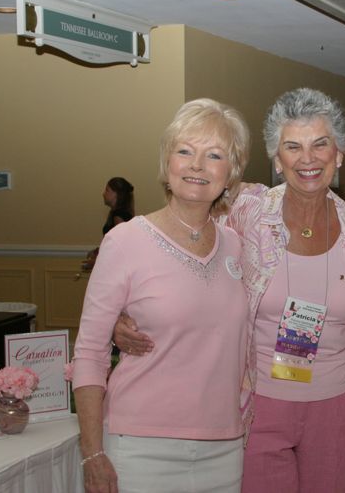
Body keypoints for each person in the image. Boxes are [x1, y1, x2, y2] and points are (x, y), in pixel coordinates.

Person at [114, 88, 345, 493]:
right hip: (256, 402)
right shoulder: (245, 210)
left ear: (338, 154)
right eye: (292, 146)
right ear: (277, 159)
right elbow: (184, 253)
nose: (307, 158)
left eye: (320, 144)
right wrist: (125, 311)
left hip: (338, 402)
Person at [72, 98, 252, 493]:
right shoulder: (125, 241)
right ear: (167, 164)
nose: (197, 165)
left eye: (214, 155)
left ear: (231, 171)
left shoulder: (237, 246)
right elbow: (89, 353)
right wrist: (92, 452)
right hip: (139, 448)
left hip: (224, 448)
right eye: (184, 151)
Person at [83, 177, 136, 272]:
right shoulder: (119, 214)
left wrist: (96, 262)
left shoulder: (118, 217)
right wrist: (99, 251)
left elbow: (119, 249)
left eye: (107, 190)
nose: (103, 194)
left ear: (116, 194)